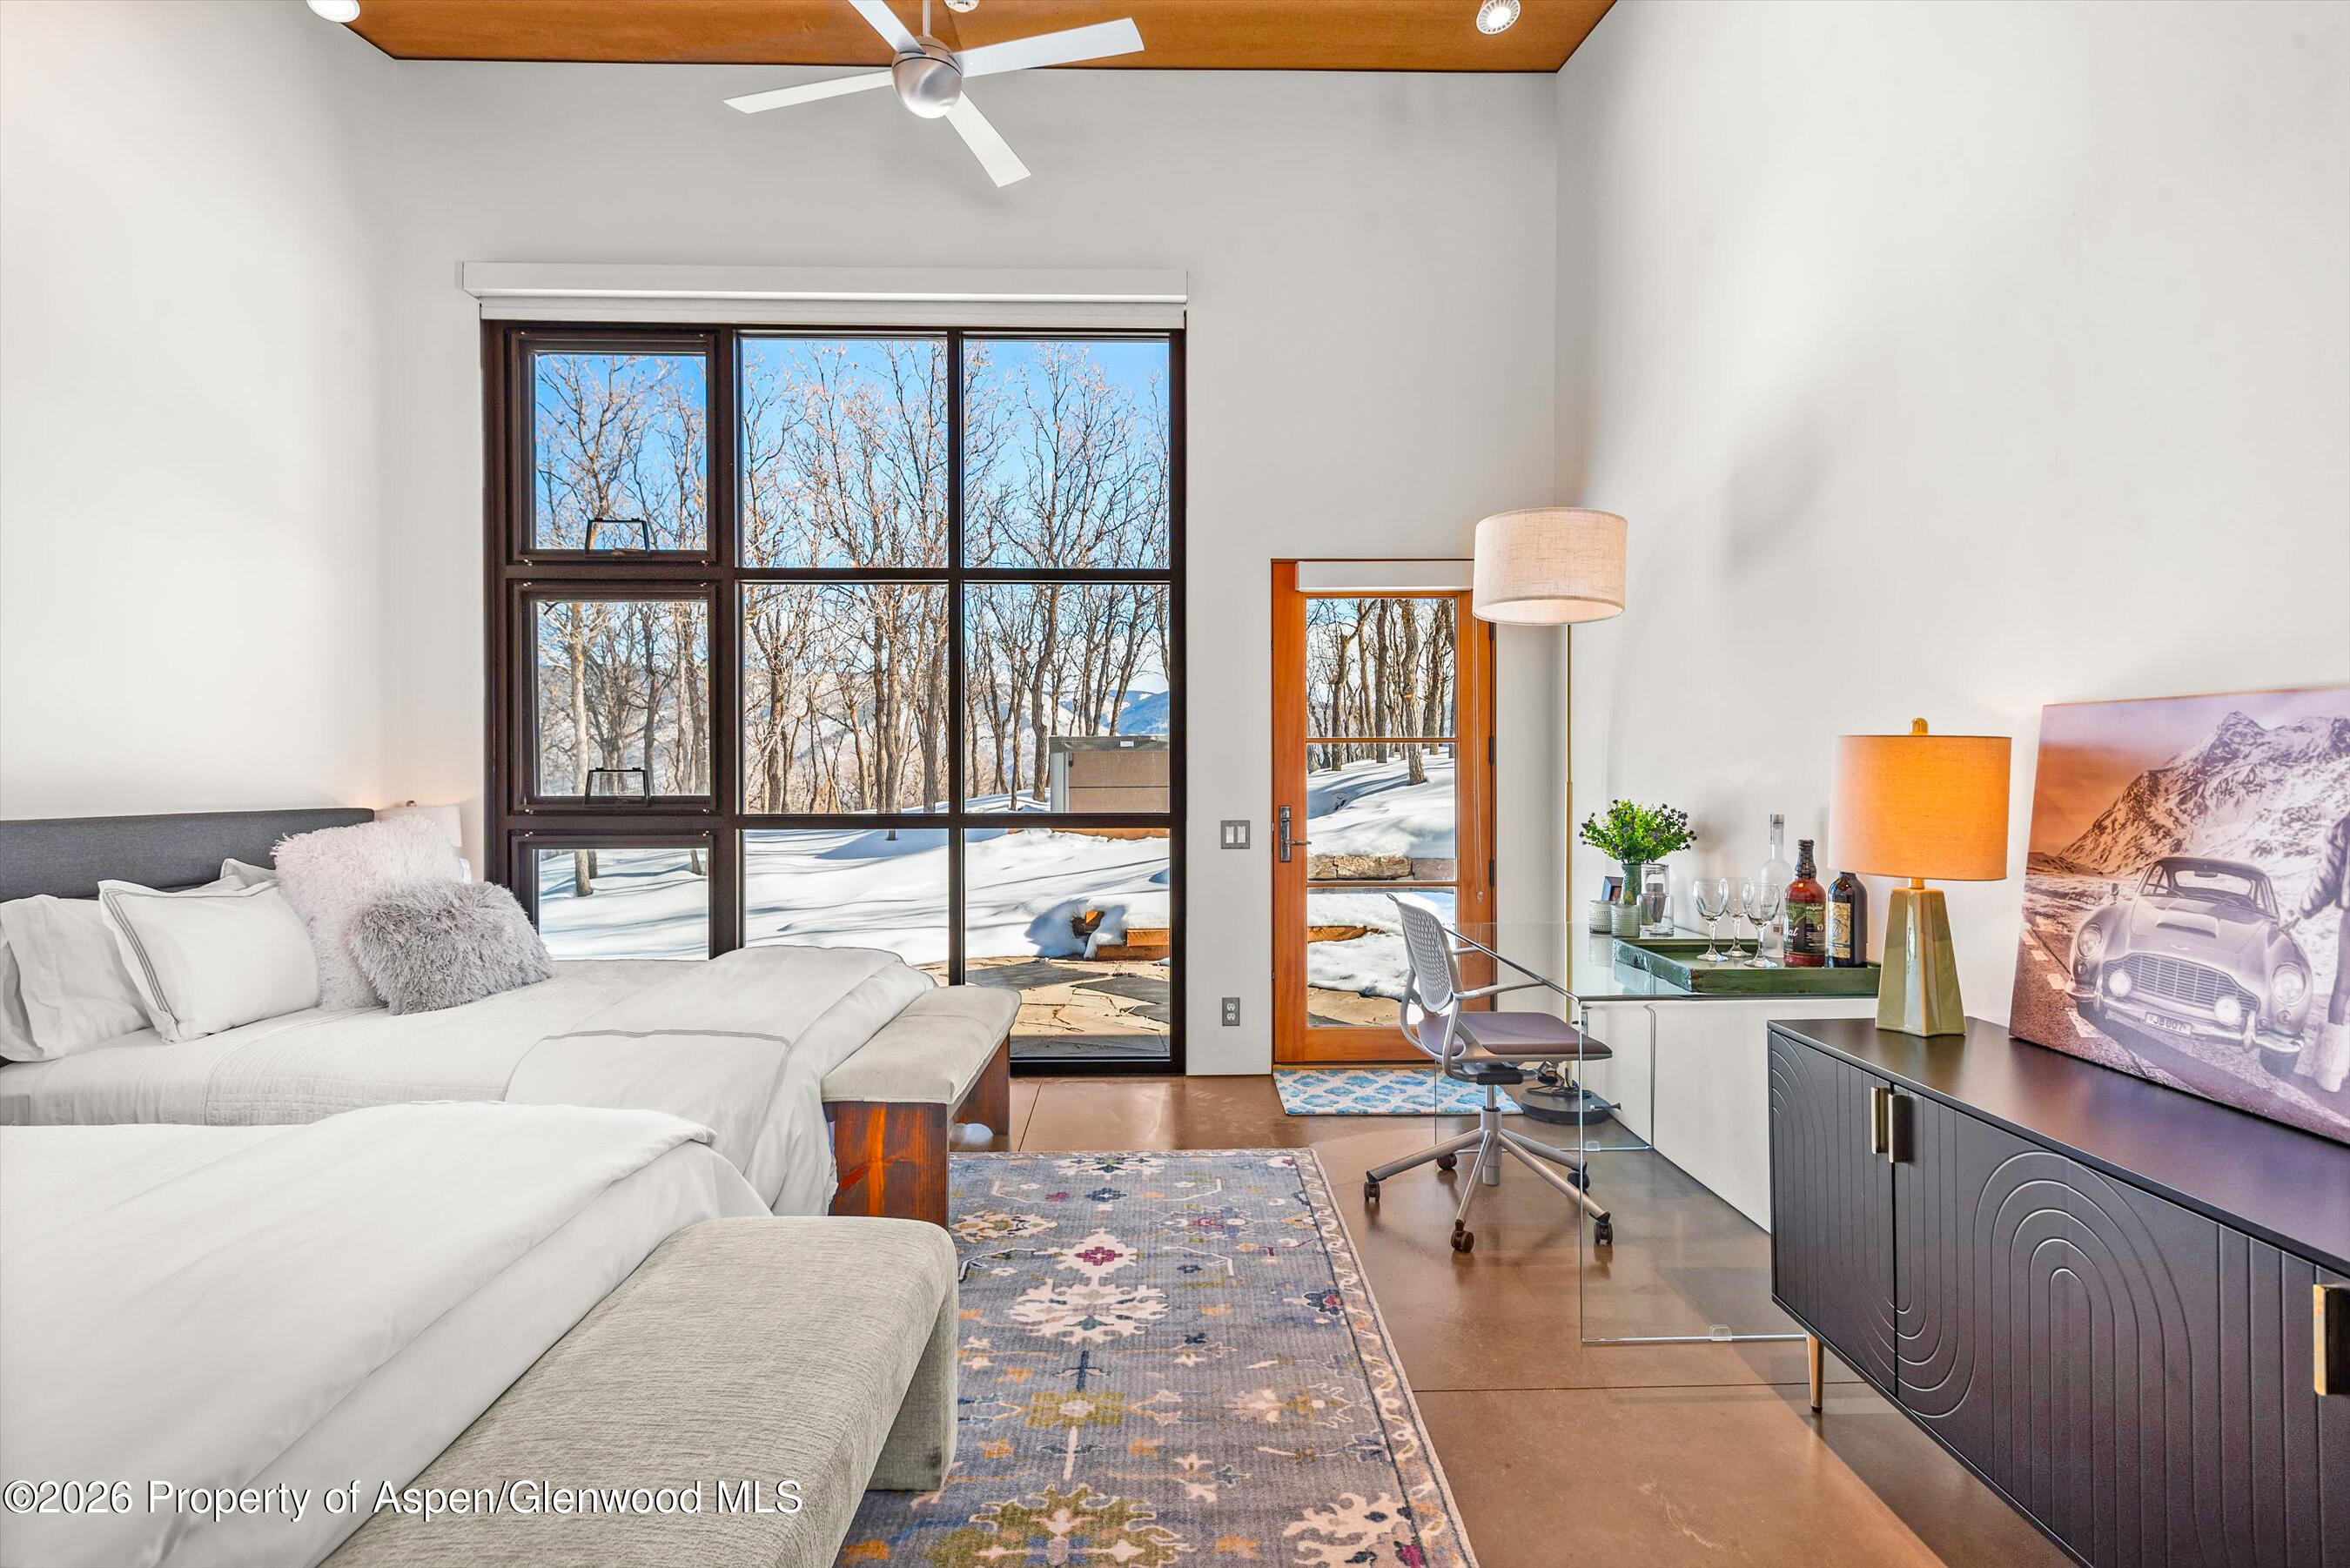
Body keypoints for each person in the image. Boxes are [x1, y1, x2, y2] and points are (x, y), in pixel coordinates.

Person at [2287, 810, 2349, 1095]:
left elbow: (2327, 880)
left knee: (2343, 990)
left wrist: (2302, 912)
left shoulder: (2346, 826)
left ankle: (2329, 1074)